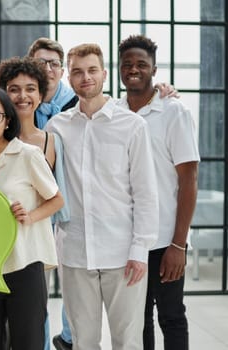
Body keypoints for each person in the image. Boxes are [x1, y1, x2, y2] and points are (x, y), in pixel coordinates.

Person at [44, 43, 159, 350]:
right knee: (83, 342)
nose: (86, 78)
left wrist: (140, 250)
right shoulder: (58, 128)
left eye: (92, 70)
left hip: (122, 255)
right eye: (78, 72)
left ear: (104, 74)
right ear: (69, 77)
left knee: (128, 342)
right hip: (74, 253)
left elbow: (146, 193)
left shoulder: (133, 126)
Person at [0, 85, 64, 350]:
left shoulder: (27, 155)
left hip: (25, 264)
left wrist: (30, 215)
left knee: (27, 343)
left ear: (7, 120)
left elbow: (57, 199)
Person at [118, 34, 200, 350]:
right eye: (128, 64)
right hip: (126, 239)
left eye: (141, 64)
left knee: (171, 316)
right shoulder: (115, 112)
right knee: (136, 319)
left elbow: (189, 180)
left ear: (154, 68)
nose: (134, 69)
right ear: (120, 69)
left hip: (165, 238)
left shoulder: (174, 112)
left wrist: (178, 244)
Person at [0, 55, 70, 350]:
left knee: (33, 324)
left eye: (30, 89)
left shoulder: (51, 141)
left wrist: (31, 216)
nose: (22, 96)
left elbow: (57, 198)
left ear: (40, 94)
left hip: (35, 242)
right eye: (14, 89)